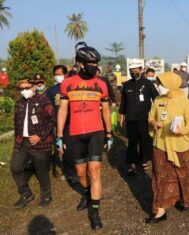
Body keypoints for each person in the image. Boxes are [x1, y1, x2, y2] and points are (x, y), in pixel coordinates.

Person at [57, 42, 113, 230]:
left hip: (95, 133)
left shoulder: (102, 84)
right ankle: (87, 194)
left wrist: (109, 132)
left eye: (96, 63)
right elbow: (63, 110)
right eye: (91, 63)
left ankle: (95, 213)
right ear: (80, 63)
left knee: (94, 171)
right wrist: (59, 136)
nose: (94, 67)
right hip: (75, 134)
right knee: (81, 174)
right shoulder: (67, 84)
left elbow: (105, 110)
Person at [146, 72, 189, 223]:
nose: (159, 87)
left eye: (162, 84)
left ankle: (183, 200)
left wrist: (183, 130)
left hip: (181, 146)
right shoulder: (158, 100)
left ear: (171, 84)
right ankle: (160, 209)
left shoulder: (184, 101)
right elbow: (150, 116)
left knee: (183, 174)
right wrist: (154, 123)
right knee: (159, 175)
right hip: (160, 144)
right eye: (159, 84)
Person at [45, 65, 88, 211]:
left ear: (65, 75)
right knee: (62, 150)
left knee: (72, 149)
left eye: (60, 74)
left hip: (72, 123)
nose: (58, 76)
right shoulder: (51, 91)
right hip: (58, 125)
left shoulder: (71, 86)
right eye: (55, 74)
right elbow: (47, 106)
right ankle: (71, 174)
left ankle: (79, 173)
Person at [10, 78, 55, 209]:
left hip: (39, 142)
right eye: (21, 89)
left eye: (27, 87)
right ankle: (26, 194)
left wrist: (39, 135)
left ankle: (46, 195)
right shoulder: (19, 103)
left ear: (34, 87)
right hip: (21, 141)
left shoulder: (44, 101)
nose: (24, 91)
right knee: (15, 167)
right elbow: (16, 123)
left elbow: (52, 120)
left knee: (41, 170)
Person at [119, 59, 159, 175]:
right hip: (131, 118)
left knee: (144, 139)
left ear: (141, 70)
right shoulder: (126, 85)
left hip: (145, 117)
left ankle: (144, 160)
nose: (133, 72)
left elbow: (156, 98)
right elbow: (124, 103)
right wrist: (122, 116)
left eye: (136, 70)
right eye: (131, 70)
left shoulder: (148, 84)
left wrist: (157, 114)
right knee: (132, 141)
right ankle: (132, 163)